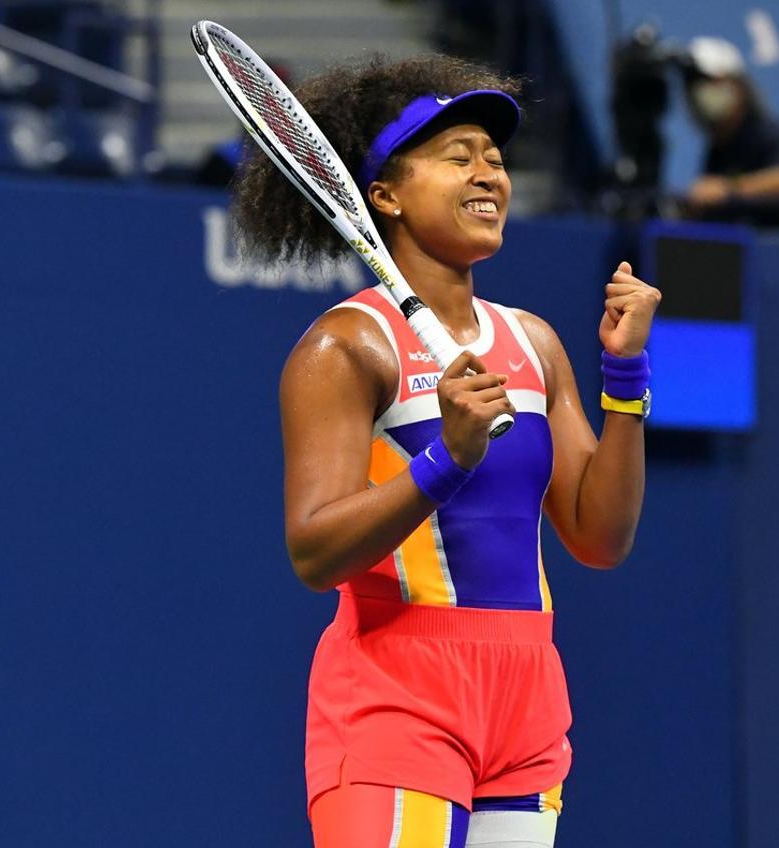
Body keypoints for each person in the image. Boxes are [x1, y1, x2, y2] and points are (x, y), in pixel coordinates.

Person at [232, 54, 661, 848]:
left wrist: (625, 379)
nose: (488, 173)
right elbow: (315, 553)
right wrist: (446, 461)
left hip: (528, 702)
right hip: (395, 698)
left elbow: (600, 539)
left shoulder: (533, 342)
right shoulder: (346, 347)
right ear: (385, 194)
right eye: (457, 155)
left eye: (496, 160)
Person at [681, 36, 779, 229]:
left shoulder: (767, 132)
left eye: (711, 82)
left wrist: (727, 190)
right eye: (696, 85)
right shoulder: (718, 147)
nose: (701, 92)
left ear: (738, 87)